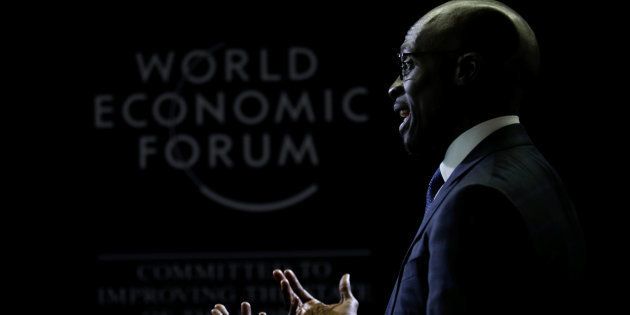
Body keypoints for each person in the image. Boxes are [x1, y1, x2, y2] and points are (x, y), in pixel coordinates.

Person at [212, 1, 585, 314]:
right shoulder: (528, 167)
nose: (394, 86)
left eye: (408, 65)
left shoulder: (475, 202)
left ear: (465, 71)